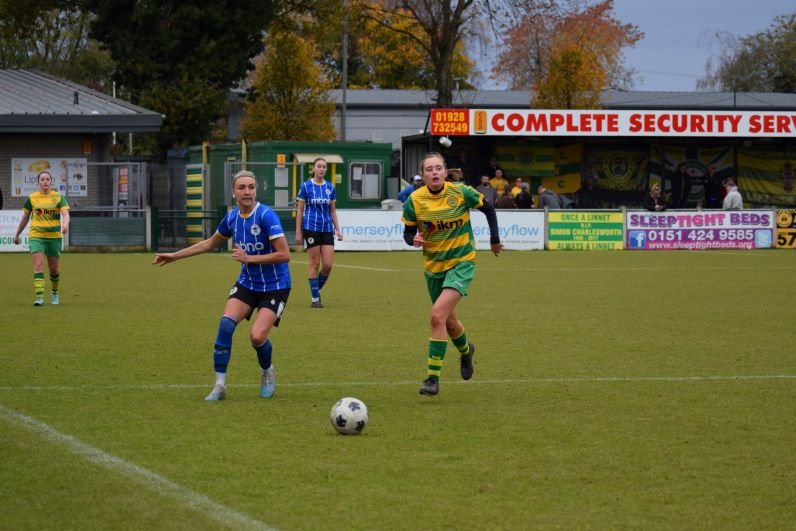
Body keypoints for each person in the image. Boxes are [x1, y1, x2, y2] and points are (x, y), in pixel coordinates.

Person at [152, 170, 291, 401]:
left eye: (251, 187)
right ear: (234, 192)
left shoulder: (267, 216)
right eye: (242, 187)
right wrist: (175, 256)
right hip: (248, 283)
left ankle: (267, 371)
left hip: (276, 286)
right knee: (225, 324)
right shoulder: (233, 218)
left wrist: (250, 259)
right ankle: (219, 385)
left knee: (256, 337)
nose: (247, 192)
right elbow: (209, 243)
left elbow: (284, 254)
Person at [401, 152, 503, 396]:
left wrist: (494, 239)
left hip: (461, 263)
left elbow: (488, 208)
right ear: (423, 175)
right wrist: (411, 239)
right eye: (430, 169)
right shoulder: (414, 200)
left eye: (439, 168)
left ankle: (432, 378)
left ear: (445, 172)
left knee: (436, 315)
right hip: (433, 267)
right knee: (449, 321)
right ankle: (467, 351)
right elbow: (407, 232)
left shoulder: (460, 192)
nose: (435, 172)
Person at [13, 171, 70, 306]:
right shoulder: (32, 198)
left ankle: (54, 293)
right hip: (36, 236)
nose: (45, 181)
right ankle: (39, 297)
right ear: (38, 182)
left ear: (51, 181)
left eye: (47, 179)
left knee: (54, 269)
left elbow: (66, 214)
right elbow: (25, 217)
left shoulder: (58, 197)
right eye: (42, 179)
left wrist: (65, 224)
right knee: (38, 266)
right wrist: (17, 234)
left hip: (54, 237)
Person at [295, 157, 343, 308]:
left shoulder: (330, 187)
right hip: (311, 228)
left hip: (327, 229)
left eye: (324, 167)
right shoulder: (306, 186)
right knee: (315, 264)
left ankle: (315, 290)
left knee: (328, 265)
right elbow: (300, 210)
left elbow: (332, 210)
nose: (322, 169)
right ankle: (315, 299)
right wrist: (298, 232)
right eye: (319, 166)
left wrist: (338, 229)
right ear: (313, 168)